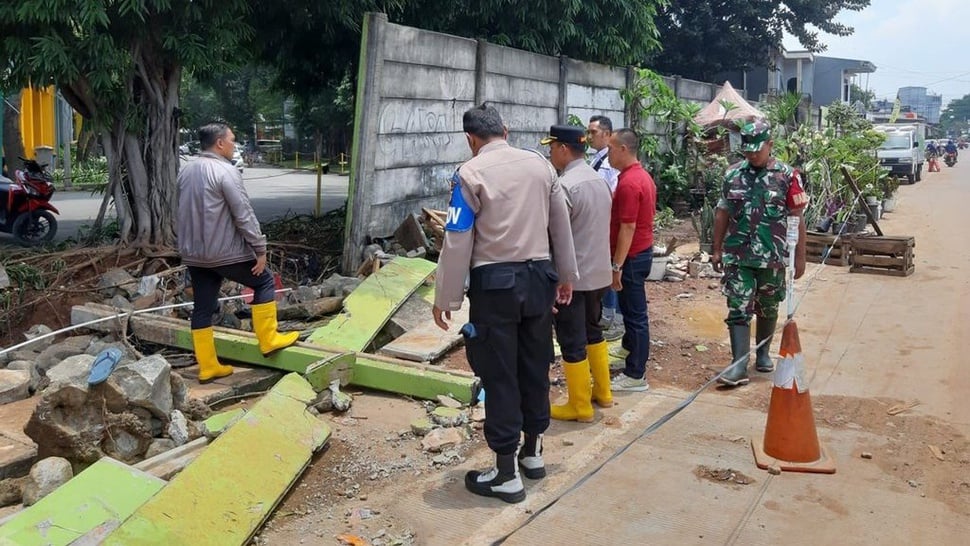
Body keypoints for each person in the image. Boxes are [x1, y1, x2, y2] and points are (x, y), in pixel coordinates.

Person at [432, 105, 578, 504]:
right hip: (539, 281)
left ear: (470, 139)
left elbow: (457, 236)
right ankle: (532, 454)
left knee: (499, 376)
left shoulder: (470, 173)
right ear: (506, 131)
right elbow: (559, 224)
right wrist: (566, 277)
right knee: (534, 366)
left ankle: (506, 475)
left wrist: (446, 296)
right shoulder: (540, 166)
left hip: (495, 287)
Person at [177, 122, 299, 383]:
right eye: (232, 140)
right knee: (264, 281)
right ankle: (269, 340)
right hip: (223, 252)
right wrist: (259, 247)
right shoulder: (226, 171)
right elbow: (243, 214)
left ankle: (208, 367)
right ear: (219, 143)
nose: (235, 145)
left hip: (194, 254)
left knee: (203, 306)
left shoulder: (186, 172)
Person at [712, 118, 808, 387]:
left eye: (758, 149)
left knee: (768, 306)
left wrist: (800, 257)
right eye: (748, 150)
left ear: (770, 145)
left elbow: (797, 217)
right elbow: (722, 212)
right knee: (738, 306)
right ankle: (738, 365)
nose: (752, 154)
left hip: (772, 255)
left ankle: (763, 353)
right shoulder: (732, 175)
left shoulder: (788, 176)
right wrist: (717, 249)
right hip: (738, 254)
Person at [540, 124, 614, 422]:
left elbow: (556, 235)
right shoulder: (599, 180)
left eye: (552, 147)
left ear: (562, 149)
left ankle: (580, 406)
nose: (549, 153)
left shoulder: (567, 186)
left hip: (574, 277)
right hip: (599, 274)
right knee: (593, 331)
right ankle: (604, 393)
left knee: (571, 340)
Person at [606, 128, 657, 392]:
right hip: (640, 253)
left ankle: (636, 374)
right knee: (631, 311)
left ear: (623, 150)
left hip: (632, 257)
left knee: (635, 315)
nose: (608, 154)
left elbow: (628, 227)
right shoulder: (641, 177)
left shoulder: (629, 183)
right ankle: (629, 349)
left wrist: (617, 266)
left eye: (611, 149)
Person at [587, 115, 623, 340]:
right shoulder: (596, 160)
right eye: (588, 132)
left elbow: (613, 194)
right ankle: (607, 314)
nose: (589, 136)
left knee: (613, 269)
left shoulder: (610, 164)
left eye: (594, 132)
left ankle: (614, 318)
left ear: (607, 135)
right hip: (598, 225)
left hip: (608, 225)